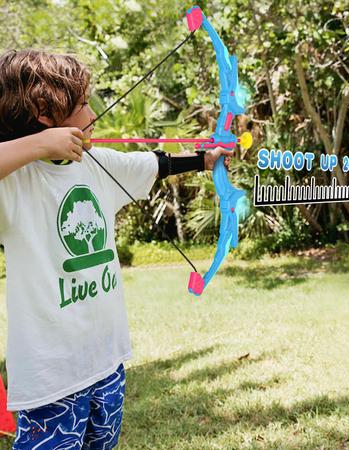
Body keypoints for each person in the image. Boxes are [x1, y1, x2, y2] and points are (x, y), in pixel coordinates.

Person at [0, 49, 232, 449]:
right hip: (51, 382)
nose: (92, 114)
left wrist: (206, 159)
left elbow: (157, 164)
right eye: (82, 104)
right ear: (43, 112)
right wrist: (39, 145)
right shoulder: (14, 184)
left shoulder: (98, 164)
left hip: (107, 365)